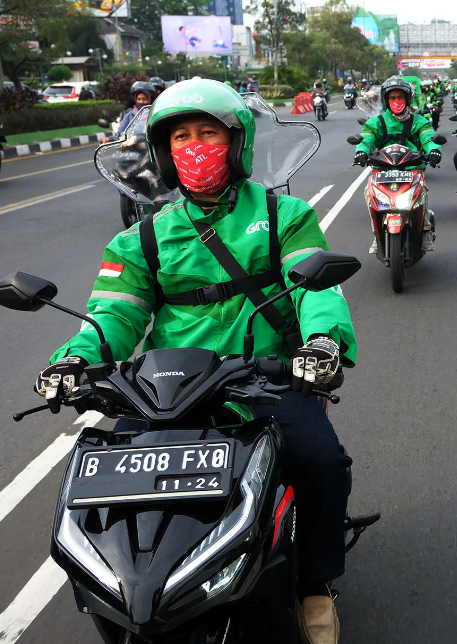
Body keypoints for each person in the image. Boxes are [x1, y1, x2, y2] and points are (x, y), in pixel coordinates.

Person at [34, 79, 355, 644]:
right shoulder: (144, 238)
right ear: (162, 151)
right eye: (180, 135)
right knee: (106, 486)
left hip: (265, 380)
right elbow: (114, 315)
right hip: (167, 389)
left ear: (237, 142)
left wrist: (322, 344)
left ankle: (315, 585)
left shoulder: (286, 216)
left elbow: (317, 290)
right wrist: (74, 362)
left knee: (322, 461)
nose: (194, 146)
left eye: (208, 132)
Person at [353, 75, 442, 254]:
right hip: (383, 170)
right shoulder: (376, 122)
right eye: (392, 98)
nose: (396, 101)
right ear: (386, 100)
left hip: (411, 169)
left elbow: (428, 138)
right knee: (368, 193)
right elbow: (367, 140)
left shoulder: (419, 121)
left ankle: (424, 232)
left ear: (408, 99)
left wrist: (434, 150)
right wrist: (361, 152)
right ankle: (376, 234)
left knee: (422, 191)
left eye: (400, 97)